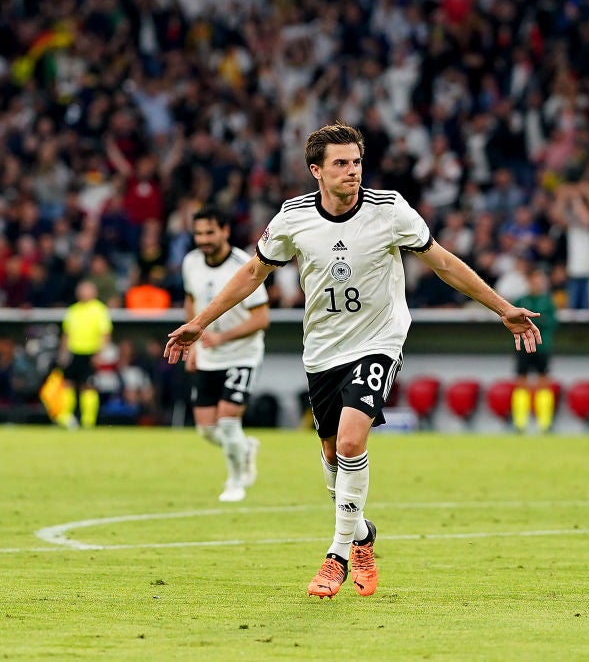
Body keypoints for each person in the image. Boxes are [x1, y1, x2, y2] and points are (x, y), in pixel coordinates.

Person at [164, 123, 541, 599]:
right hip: (323, 348)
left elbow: (443, 263)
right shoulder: (294, 218)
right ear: (316, 170)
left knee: (349, 439)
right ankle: (362, 533)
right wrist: (201, 322)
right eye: (341, 163)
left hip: (379, 338)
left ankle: (338, 553)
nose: (352, 172)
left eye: (357, 162)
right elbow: (251, 274)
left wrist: (503, 308)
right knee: (330, 457)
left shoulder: (390, 210)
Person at [181, 207, 269, 502]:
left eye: (210, 232)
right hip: (208, 356)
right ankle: (244, 447)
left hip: (242, 355)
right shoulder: (191, 262)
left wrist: (222, 337)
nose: (203, 239)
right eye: (199, 233)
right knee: (207, 430)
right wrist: (193, 344)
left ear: (225, 231)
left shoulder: (245, 265)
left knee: (229, 421)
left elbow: (261, 319)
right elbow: (191, 301)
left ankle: (235, 483)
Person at [57, 280, 112, 429]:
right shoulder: (73, 310)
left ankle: (88, 421)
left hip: (90, 352)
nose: (84, 293)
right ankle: (66, 417)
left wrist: (100, 353)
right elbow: (66, 334)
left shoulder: (99, 310)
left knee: (87, 386)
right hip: (74, 352)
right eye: (82, 290)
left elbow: (105, 334)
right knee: (68, 384)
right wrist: (63, 352)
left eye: (87, 290)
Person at [511, 267, 558, 434]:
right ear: (528, 281)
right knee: (521, 382)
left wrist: (537, 322)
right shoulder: (520, 300)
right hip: (523, 347)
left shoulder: (548, 301)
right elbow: (512, 320)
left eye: (540, 280)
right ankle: (520, 423)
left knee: (543, 382)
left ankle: (544, 423)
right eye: (534, 280)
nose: (537, 283)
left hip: (542, 346)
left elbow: (553, 323)